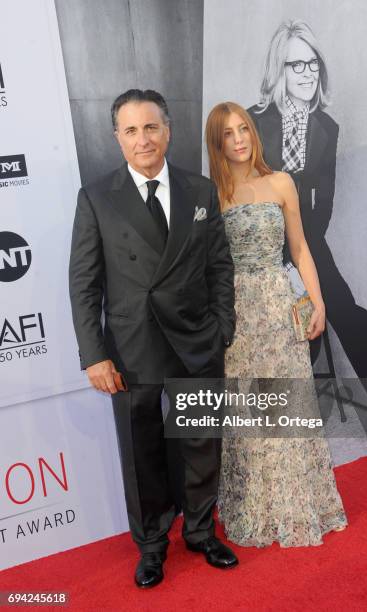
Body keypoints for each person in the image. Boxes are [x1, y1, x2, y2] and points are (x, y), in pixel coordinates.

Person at [69, 89, 238, 588]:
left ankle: (203, 530)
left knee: (201, 441)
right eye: (130, 130)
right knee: (141, 449)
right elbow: (84, 283)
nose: (142, 139)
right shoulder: (97, 197)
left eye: (150, 127)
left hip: (196, 339)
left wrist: (221, 325)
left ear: (167, 131)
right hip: (132, 346)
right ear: (117, 138)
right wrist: (94, 354)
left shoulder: (200, 191)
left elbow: (219, 266)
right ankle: (151, 545)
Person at [247, 19, 367, 439]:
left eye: (312, 63)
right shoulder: (251, 121)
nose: (306, 73)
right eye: (295, 65)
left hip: (306, 241)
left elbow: (326, 201)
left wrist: (301, 252)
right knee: (278, 327)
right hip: (258, 246)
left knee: (348, 314)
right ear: (278, 71)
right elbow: (239, 195)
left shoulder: (326, 127)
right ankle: (268, 433)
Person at [205, 101, 347, 547]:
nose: (240, 139)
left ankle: (298, 505)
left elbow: (301, 249)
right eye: (228, 133)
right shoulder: (211, 195)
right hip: (235, 314)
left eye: (244, 129)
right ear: (217, 143)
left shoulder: (281, 182)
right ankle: (252, 507)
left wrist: (317, 302)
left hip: (279, 304)